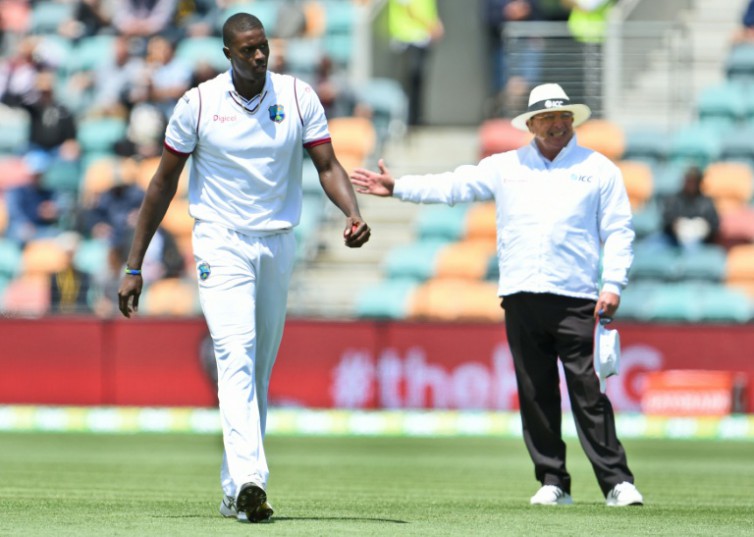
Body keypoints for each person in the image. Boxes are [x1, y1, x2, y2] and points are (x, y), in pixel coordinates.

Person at [117, 12, 371, 523]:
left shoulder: (298, 97)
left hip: (277, 242)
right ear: (228, 53)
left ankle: (235, 491)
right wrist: (134, 263)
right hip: (220, 241)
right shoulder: (199, 103)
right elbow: (162, 184)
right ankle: (254, 478)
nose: (259, 56)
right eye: (249, 49)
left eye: (264, 48)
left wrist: (353, 212)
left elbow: (327, 165)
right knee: (235, 354)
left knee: (257, 370)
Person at [350, 83, 643, 507]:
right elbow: (455, 186)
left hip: (576, 295)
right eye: (547, 119)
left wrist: (613, 282)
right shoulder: (506, 166)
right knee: (535, 392)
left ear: (573, 120)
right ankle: (553, 481)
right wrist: (398, 188)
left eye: (563, 118)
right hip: (521, 294)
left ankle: (616, 481)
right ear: (532, 125)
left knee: (587, 392)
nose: (557, 126)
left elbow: (618, 230)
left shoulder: (598, 169)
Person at [387, 0, 444, 127]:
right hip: (406, 38)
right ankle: (407, 120)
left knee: (417, 82)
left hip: (421, 38)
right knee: (409, 82)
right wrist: (431, 25)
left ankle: (416, 118)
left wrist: (434, 22)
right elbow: (409, 7)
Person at [660, 166, 719, 250]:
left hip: (699, 241)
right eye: (689, 180)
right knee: (652, 246)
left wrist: (704, 227)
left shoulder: (707, 202)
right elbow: (666, 220)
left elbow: (715, 225)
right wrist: (675, 225)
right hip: (673, 239)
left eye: (694, 181)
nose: (691, 184)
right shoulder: (674, 200)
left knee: (691, 248)